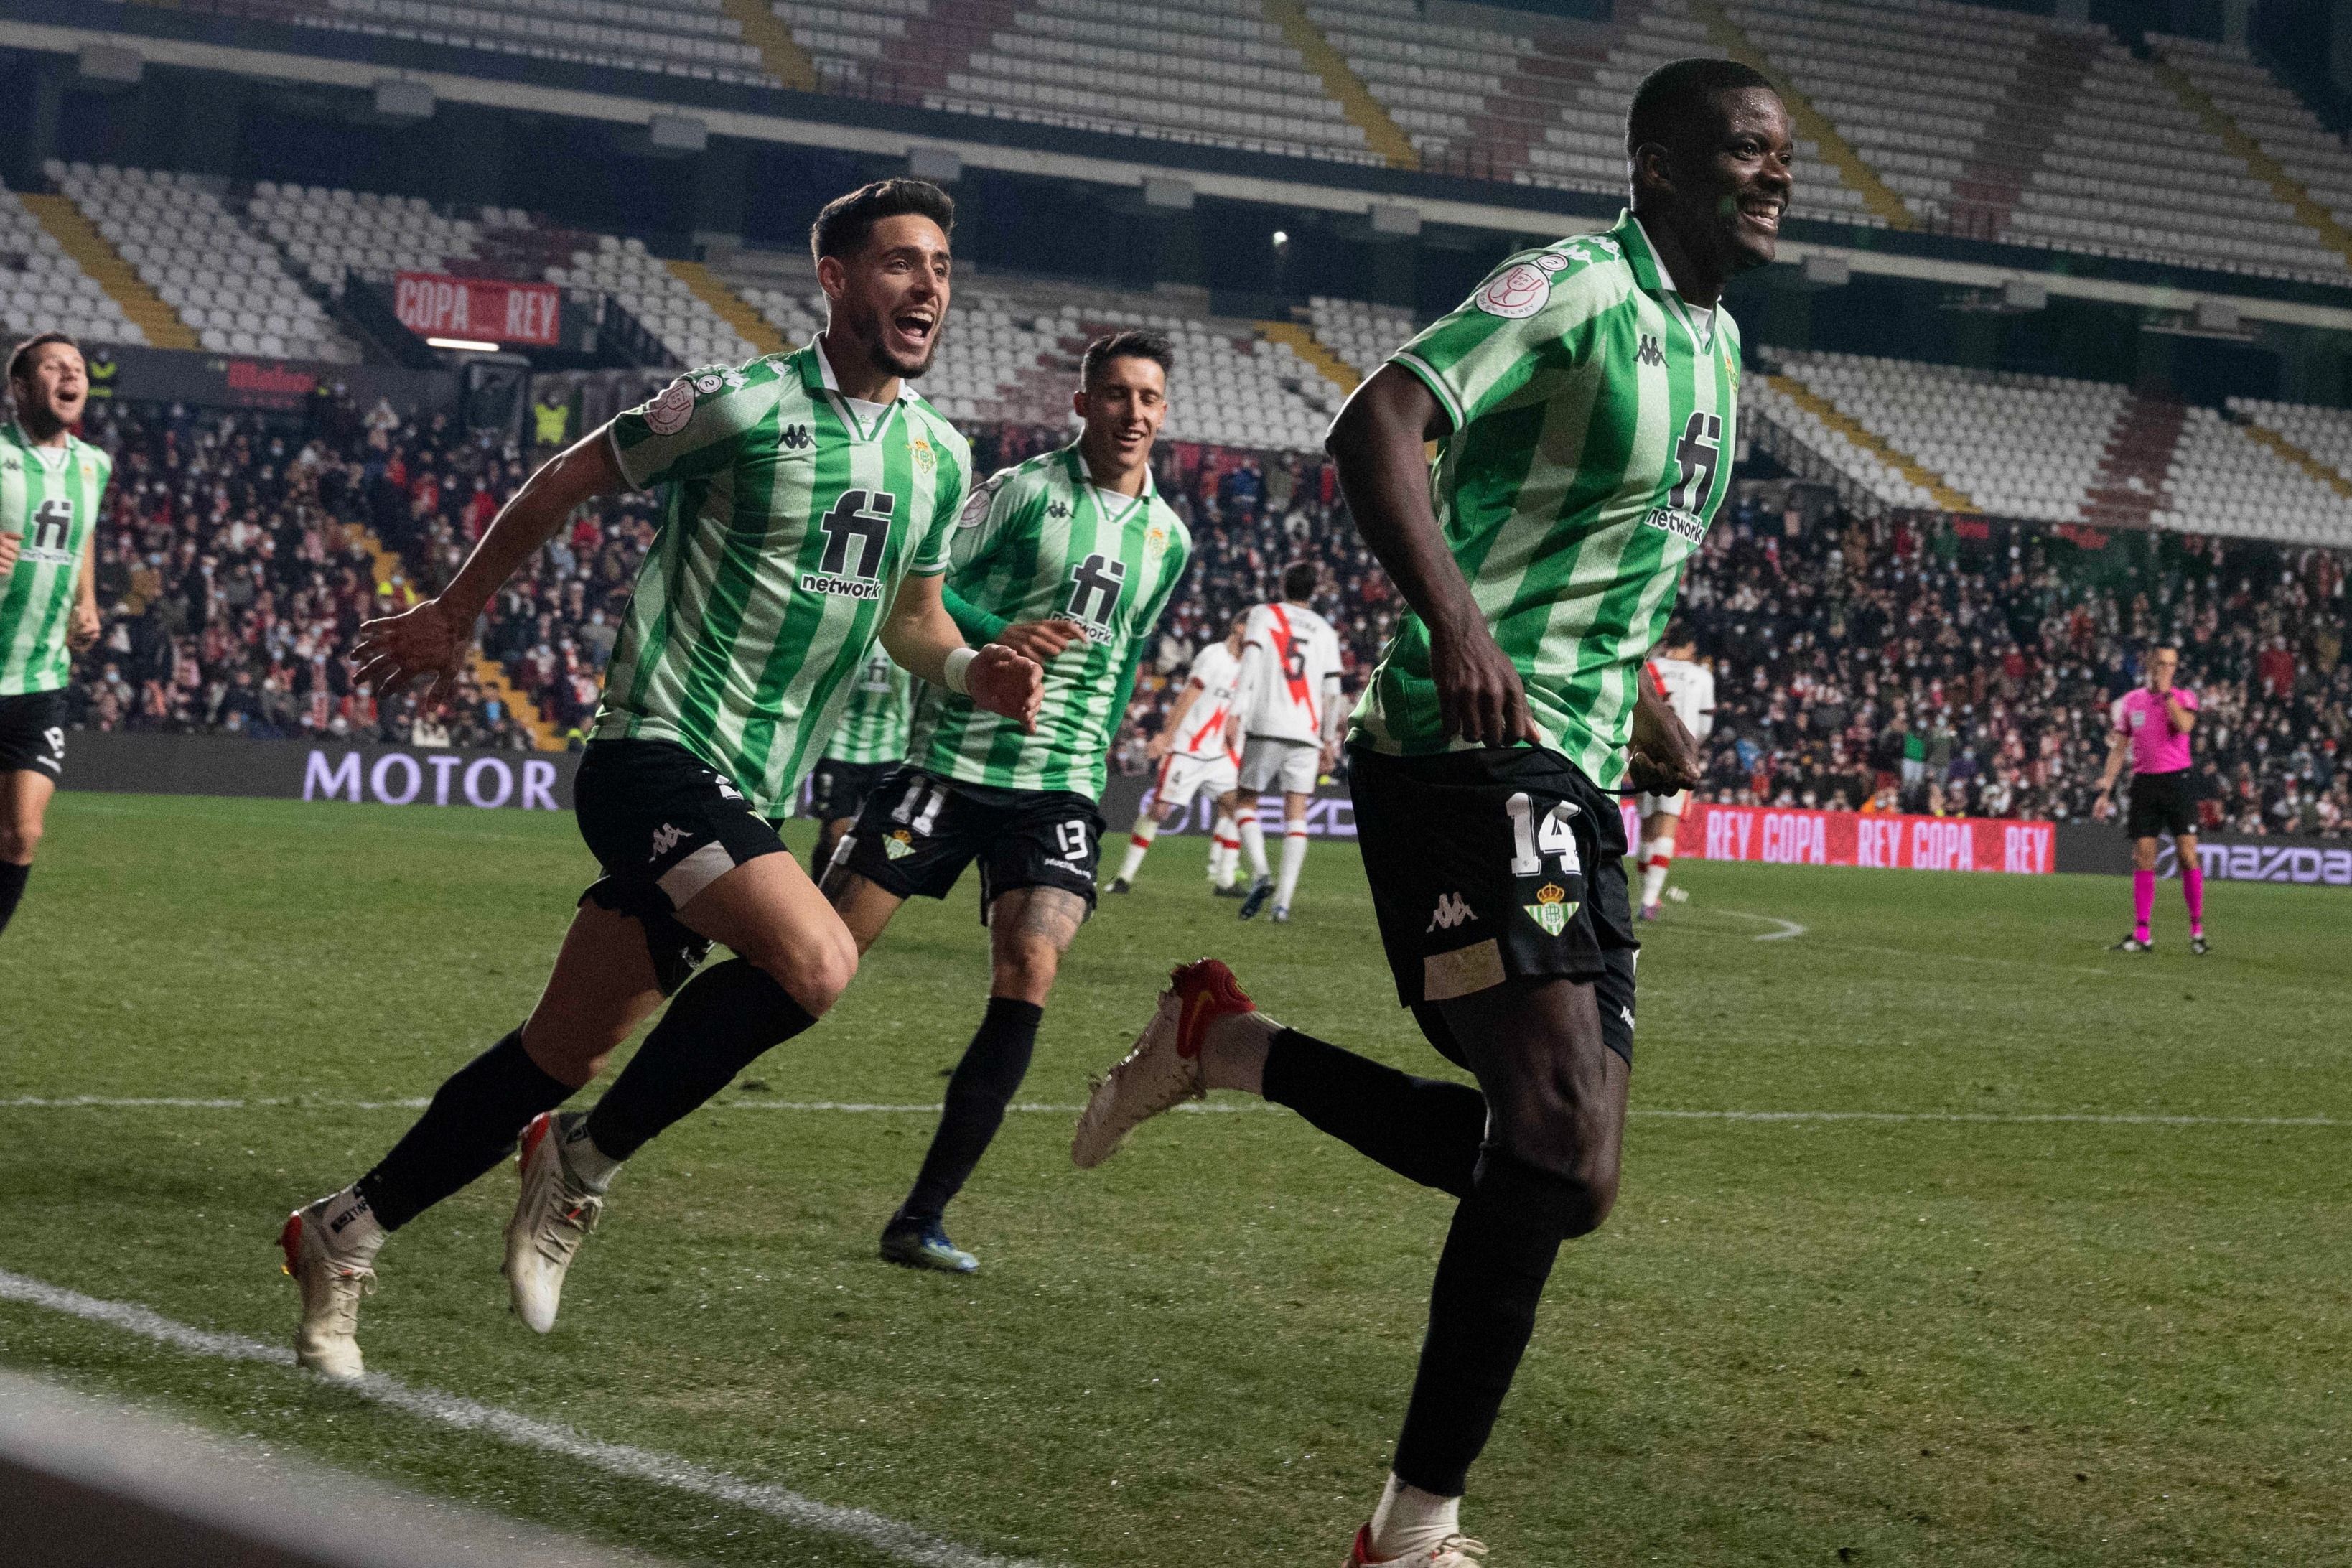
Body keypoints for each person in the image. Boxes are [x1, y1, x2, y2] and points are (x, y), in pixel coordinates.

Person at [1073, 57, 1783, 1566]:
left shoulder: (1718, 346)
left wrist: (1637, 687)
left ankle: (1230, 1046)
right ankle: (1410, 1532)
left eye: (1781, 156)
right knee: (1552, 1127)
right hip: (1462, 754)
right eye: (1741, 151)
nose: (1773, 175)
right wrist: (1459, 629)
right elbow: (1376, 423)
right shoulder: (1578, 285)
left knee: (1568, 1177)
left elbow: (1600, 543)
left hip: (1578, 766)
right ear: (1660, 167)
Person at [279, 179, 1042, 1378]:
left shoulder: (943, 456)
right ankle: (578, 1165)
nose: (928, 286)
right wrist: (457, 608)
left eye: (941, 265)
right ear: (835, 279)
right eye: (899, 262)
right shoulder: (738, 404)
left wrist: (968, 673)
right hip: (653, 752)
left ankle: (343, 1228)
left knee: (559, 1046)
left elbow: (914, 618)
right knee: (818, 959)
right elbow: (567, 477)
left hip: (751, 786)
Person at [823, 329, 1191, 1271]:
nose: (1132, 413)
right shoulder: (1023, 494)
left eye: (1147, 398)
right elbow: (919, 595)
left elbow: (1121, 661)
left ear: (1164, 411)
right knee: (817, 962)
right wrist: (1000, 640)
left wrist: (1095, 755)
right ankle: (607, 1127)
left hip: (1058, 785)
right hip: (949, 765)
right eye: (1114, 395)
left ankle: (921, 1218)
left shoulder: (1170, 539)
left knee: (1030, 966)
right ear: (1082, 404)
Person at [0, 333, 108, 941]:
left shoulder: (95, 465)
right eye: (54, 366)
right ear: (19, 388)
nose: (71, 374)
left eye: (78, 367)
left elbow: (84, 530)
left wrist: (86, 602)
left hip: (40, 677)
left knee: (22, 834)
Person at [1229, 560, 1344, 922]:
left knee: (1246, 801)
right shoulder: (1326, 631)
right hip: (1307, 732)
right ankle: (1282, 904)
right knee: (1297, 814)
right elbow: (1333, 692)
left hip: (1266, 722)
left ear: (1282, 583)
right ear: (1315, 590)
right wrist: (1329, 740)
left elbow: (1250, 662)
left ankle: (1262, 873)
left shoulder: (1264, 614)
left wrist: (1235, 711)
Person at [1109, 612, 1247, 896]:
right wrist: (1167, 735)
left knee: (1237, 806)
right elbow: (1187, 697)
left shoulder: (1247, 666)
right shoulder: (1214, 656)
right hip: (1186, 748)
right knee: (1159, 811)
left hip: (1217, 754)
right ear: (1238, 627)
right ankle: (1123, 877)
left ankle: (1225, 879)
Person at [2094, 645, 2204, 954]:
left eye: (2172, 665)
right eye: (2162, 664)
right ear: (2151, 665)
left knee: (2187, 855)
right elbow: (2119, 748)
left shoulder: (2185, 698)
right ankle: (2142, 933)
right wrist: (2106, 791)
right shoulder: (2133, 701)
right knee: (2144, 857)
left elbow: (2184, 726)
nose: (2168, 669)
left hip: (2178, 782)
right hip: (2144, 784)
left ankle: (2196, 930)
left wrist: (2167, 695)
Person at [805, 648, 910, 877]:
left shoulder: (907, 638)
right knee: (835, 835)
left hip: (888, 751)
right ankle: (822, 896)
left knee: (878, 838)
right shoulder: (854, 629)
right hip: (839, 749)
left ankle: (840, 900)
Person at [1633, 627, 1715, 920]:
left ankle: (1646, 895)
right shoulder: (1702, 676)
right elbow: (1705, 727)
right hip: (1679, 757)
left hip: (1644, 755)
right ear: (1690, 645)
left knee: (1647, 828)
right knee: (1666, 827)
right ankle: (1650, 899)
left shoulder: (1650, 667)